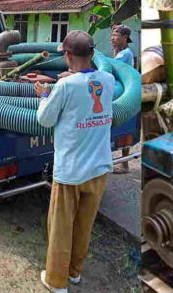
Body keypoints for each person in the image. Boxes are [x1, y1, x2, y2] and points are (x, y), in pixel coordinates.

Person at [35, 30, 115, 293]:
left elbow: (45, 120)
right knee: (83, 225)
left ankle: (56, 282)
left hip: (70, 172)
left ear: (68, 56)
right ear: (92, 54)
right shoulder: (109, 79)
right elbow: (88, 89)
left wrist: (44, 94)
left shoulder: (65, 86)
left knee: (61, 228)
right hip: (99, 168)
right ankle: (75, 272)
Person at [110, 24, 135, 174]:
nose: (112, 39)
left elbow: (112, 69)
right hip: (120, 92)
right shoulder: (120, 53)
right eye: (112, 36)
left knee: (124, 129)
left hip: (123, 94)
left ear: (125, 38)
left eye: (115, 36)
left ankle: (124, 164)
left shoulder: (126, 54)